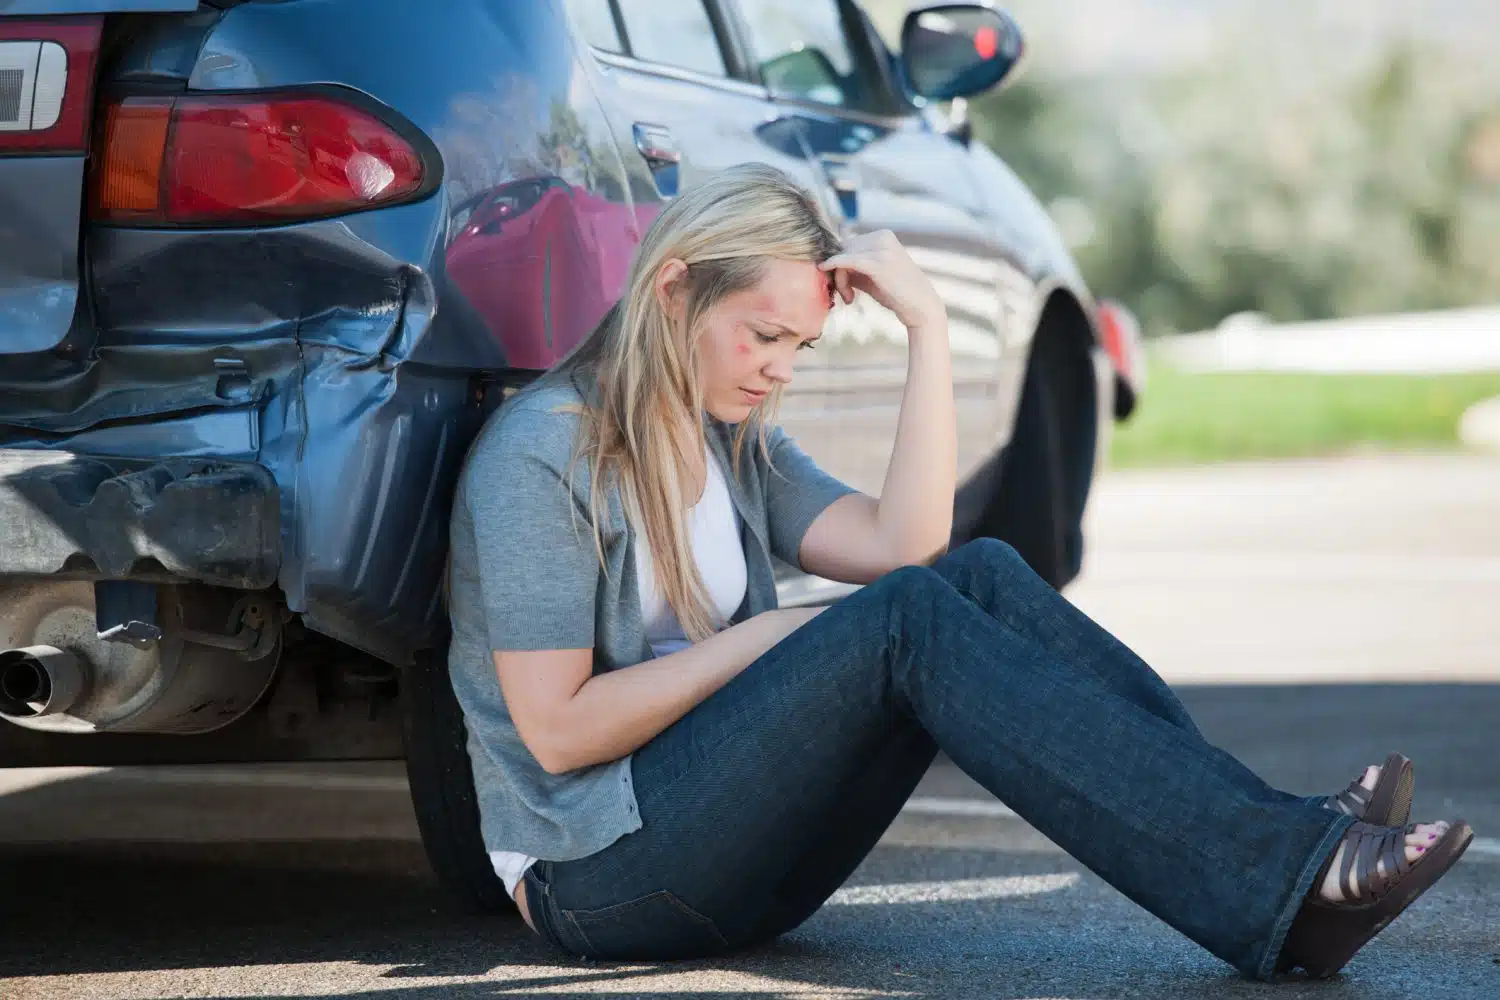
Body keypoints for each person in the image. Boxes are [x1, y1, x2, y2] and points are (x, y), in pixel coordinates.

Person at [444, 163, 1473, 981]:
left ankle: (1278, 850)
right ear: (674, 291)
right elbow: (559, 728)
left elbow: (910, 547)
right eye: (763, 335)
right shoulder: (544, 456)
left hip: (730, 857)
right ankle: (1285, 872)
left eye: (799, 345)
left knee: (972, 573)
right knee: (903, 622)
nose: (778, 370)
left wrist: (928, 324)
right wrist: (767, 636)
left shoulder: (730, 439)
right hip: (597, 873)